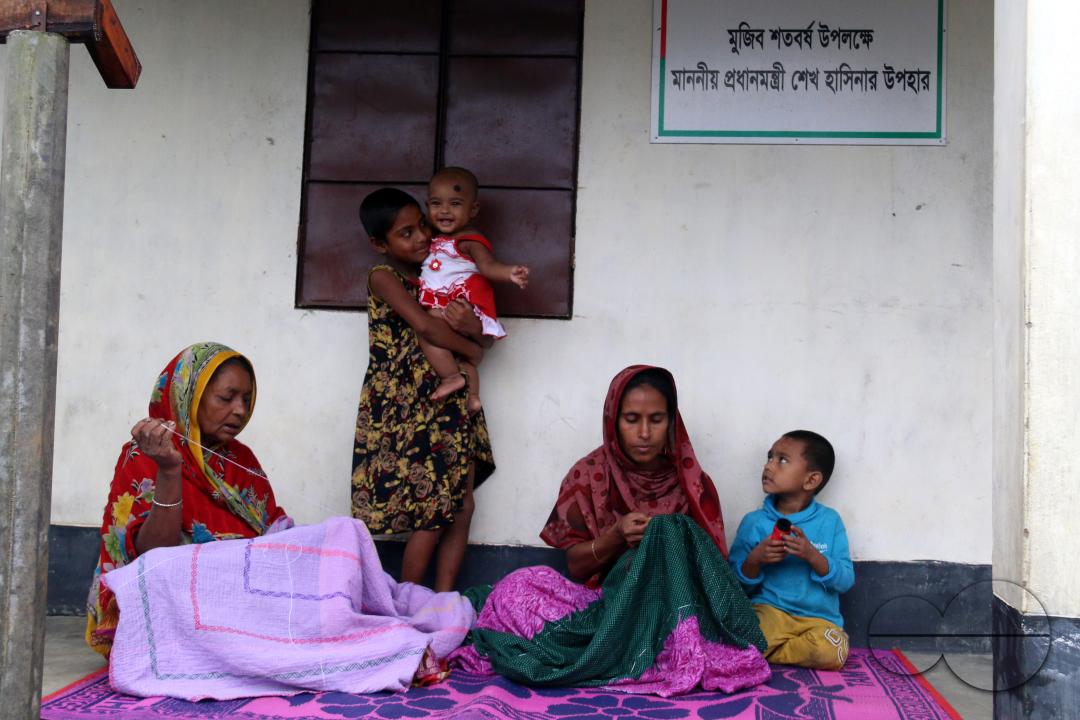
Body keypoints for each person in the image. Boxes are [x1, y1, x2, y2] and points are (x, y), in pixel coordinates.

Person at [450, 366, 770, 696]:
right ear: (613, 420)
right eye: (632, 419)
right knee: (516, 587)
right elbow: (574, 567)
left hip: (666, 613)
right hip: (598, 604)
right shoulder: (589, 474)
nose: (644, 432)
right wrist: (614, 538)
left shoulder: (692, 484)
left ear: (672, 422)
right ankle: (611, 643)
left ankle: (649, 648)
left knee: (671, 530)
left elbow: (710, 577)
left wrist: (662, 542)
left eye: (656, 419)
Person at [86, 342, 291, 657]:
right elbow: (153, 557)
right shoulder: (146, 454)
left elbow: (272, 532)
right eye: (226, 397)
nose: (240, 410)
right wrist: (170, 470)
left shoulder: (241, 459)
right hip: (173, 608)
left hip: (236, 603)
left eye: (247, 400)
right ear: (188, 395)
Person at [352, 187, 496, 592]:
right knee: (431, 507)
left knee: (462, 503)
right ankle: (408, 603)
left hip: (453, 399)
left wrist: (473, 333)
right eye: (405, 233)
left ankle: (446, 597)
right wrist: (472, 353)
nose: (419, 238)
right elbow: (427, 326)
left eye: (422, 227)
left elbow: (481, 331)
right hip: (409, 402)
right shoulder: (383, 277)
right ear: (380, 244)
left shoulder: (445, 270)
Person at [728, 430, 855, 670]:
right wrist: (755, 560)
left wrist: (812, 556)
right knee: (745, 637)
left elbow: (846, 580)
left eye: (782, 460)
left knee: (833, 652)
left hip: (817, 620)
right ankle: (779, 650)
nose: (769, 466)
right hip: (769, 613)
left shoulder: (830, 521)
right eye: (769, 457)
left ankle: (770, 653)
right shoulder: (754, 523)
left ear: (811, 480)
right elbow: (735, 585)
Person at [418, 166, 529, 412]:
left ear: (473, 209)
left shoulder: (468, 239)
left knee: (427, 329)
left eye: (455, 204)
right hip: (449, 306)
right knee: (465, 360)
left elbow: (488, 266)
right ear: (427, 206)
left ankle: (451, 378)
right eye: (436, 203)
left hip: (456, 305)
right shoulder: (434, 239)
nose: (444, 211)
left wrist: (509, 273)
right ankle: (473, 396)